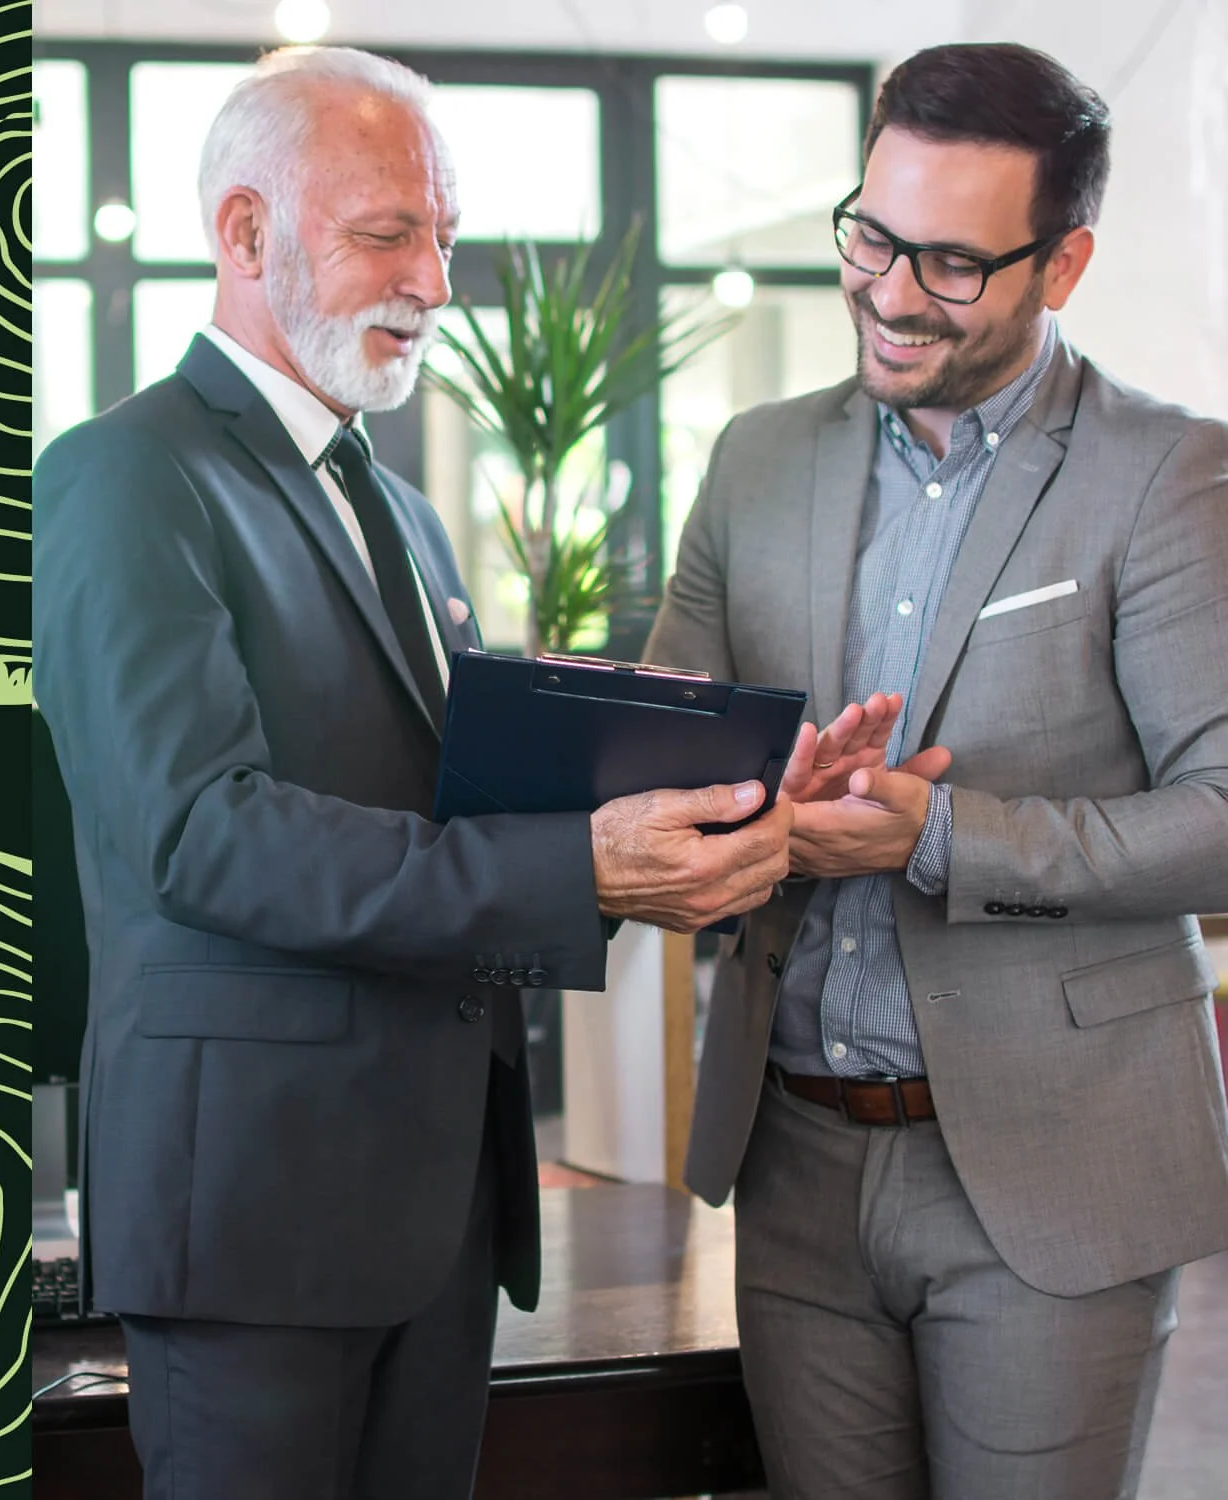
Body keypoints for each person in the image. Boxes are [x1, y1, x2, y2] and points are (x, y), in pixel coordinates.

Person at [32, 44, 891, 1500]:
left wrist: (729, 808)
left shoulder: (406, 516)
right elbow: (201, 834)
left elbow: (468, 821)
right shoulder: (123, 475)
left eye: (443, 234)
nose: (434, 279)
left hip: (433, 1212)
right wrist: (580, 866)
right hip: (253, 1218)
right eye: (388, 234)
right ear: (243, 234)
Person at [647, 41, 1228, 1500]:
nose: (893, 294)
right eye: (871, 238)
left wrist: (934, 836)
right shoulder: (752, 459)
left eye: (953, 266)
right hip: (791, 1160)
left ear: (1063, 262)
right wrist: (749, 790)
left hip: (1051, 1168)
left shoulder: (1166, 474)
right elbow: (661, 749)